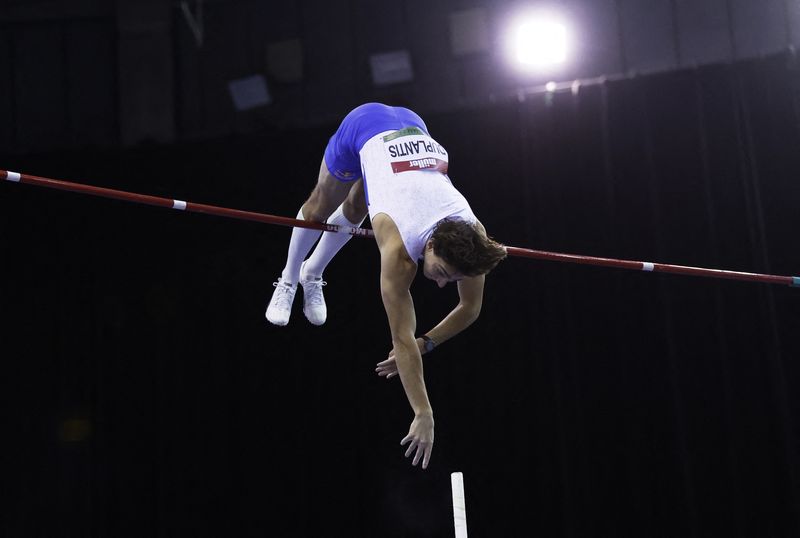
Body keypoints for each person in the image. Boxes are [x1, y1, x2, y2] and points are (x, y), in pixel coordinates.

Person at [265, 102, 507, 469]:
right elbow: (400, 338)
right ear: (428, 245)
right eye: (441, 272)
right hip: (364, 127)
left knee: (360, 203)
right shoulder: (398, 251)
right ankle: (288, 278)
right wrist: (423, 412)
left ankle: (312, 274)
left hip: (413, 129)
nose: (442, 284)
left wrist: (427, 343)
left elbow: (469, 308)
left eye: (451, 278)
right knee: (318, 208)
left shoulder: (473, 244)